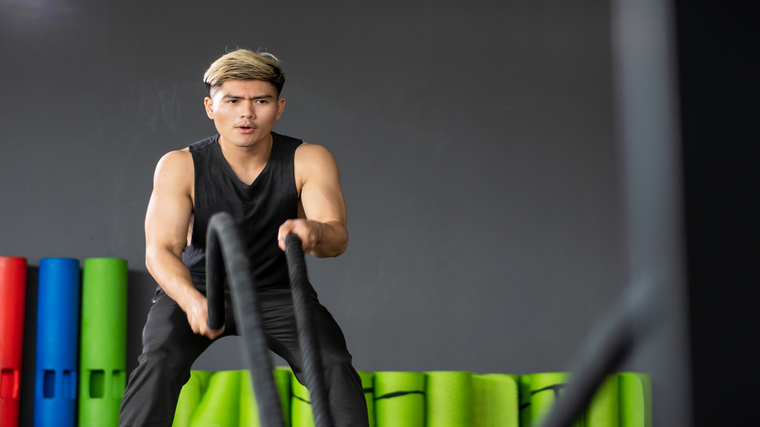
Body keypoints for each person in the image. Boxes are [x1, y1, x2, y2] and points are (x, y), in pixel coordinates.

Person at [118, 49, 369, 427]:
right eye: (232, 101)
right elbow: (161, 250)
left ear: (279, 107)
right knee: (158, 360)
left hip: (277, 291)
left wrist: (312, 230)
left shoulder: (308, 159)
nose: (246, 113)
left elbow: (336, 238)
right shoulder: (180, 165)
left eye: (261, 101)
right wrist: (191, 302)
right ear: (210, 106)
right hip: (200, 287)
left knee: (332, 364)